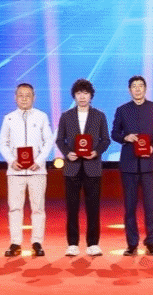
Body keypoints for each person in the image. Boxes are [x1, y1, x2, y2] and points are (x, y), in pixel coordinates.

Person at [111, 75, 153, 255]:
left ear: (145, 88)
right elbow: (114, 133)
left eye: (140, 85)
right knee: (129, 207)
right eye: (134, 86)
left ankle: (151, 243)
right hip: (129, 165)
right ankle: (132, 244)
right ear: (129, 90)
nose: (137, 89)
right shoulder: (122, 110)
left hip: (149, 164)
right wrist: (125, 137)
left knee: (150, 207)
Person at [0, 82, 55, 257]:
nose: (24, 99)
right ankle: (15, 243)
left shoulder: (41, 117)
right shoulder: (8, 118)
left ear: (33, 98)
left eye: (27, 95)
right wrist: (11, 160)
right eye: (20, 95)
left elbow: (48, 141)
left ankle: (37, 242)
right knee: (15, 208)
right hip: (15, 171)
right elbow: (2, 143)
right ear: (15, 98)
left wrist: (39, 161)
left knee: (38, 208)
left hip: (37, 170)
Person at [55, 78, 111, 257]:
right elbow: (59, 140)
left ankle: (93, 243)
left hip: (92, 167)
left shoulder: (99, 115)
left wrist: (96, 152)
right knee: (72, 208)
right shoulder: (66, 116)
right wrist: (67, 153)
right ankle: (72, 244)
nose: (82, 96)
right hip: (72, 168)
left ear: (91, 96)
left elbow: (106, 140)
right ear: (74, 95)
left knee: (93, 208)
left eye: (85, 93)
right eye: (79, 93)